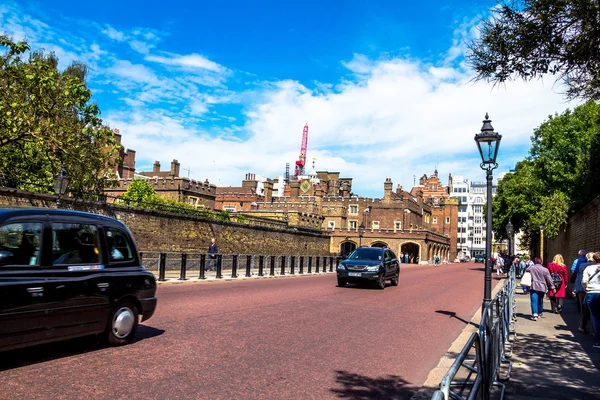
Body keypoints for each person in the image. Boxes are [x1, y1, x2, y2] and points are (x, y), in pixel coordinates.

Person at [581, 252, 600, 348]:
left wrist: (586, 288)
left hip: (592, 293)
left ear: (594, 260)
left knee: (596, 316)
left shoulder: (588, 268)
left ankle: (598, 341)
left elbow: (584, 281)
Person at [572, 252, 594, 333]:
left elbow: (579, 278)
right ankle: (594, 330)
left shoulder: (582, 266)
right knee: (594, 311)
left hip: (583, 290)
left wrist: (575, 289)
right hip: (596, 290)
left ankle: (582, 326)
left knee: (583, 309)